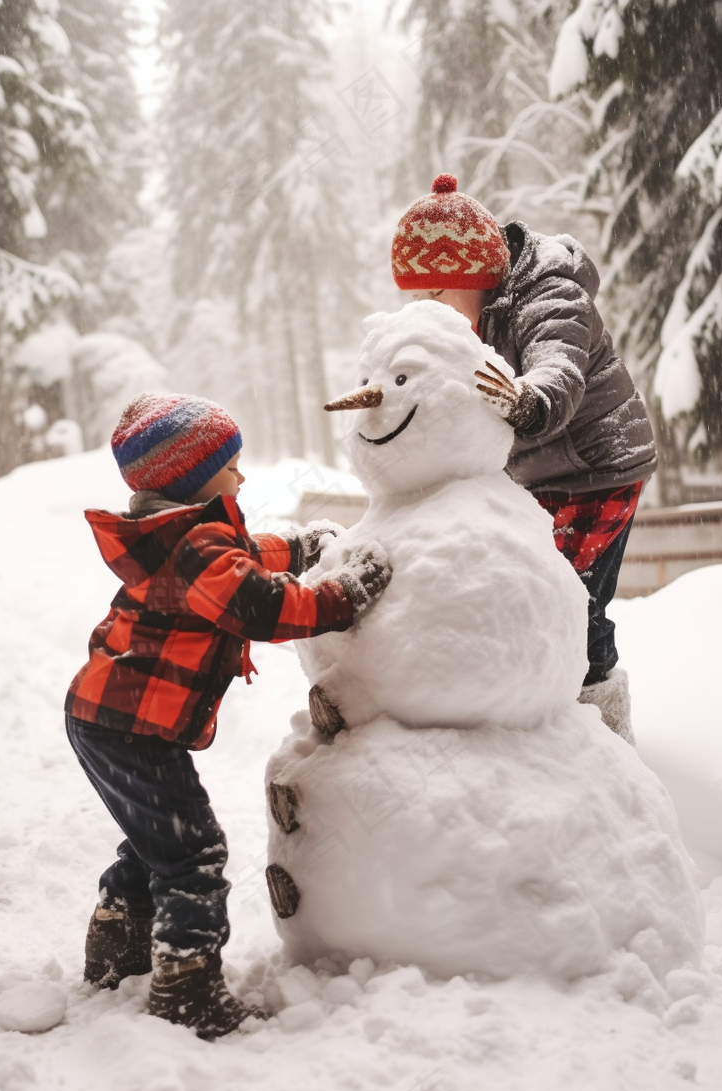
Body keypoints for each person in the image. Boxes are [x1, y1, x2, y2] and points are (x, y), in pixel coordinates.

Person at [65, 391, 391, 1038]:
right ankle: (187, 987)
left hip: (108, 718)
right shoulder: (195, 547)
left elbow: (241, 556)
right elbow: (259, 606)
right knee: (195, 853)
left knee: (159, 840)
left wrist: (297, 547)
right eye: (229, 465)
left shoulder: (178, 534)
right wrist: (340, 597)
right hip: (130, 727)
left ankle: (117, 943)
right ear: (190, 478)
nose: (241, 476)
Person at [391, 174, 657, 743]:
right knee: (527, 589)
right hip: (537, 469)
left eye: (434, 294)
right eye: (414, 298)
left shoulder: (549, 292)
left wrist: (527, 399)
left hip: (597, 466)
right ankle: (540, 730)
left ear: (474, 278)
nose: (425, 310)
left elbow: (557, 368)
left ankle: (607, 734)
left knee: (570, 600)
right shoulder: (471, 318)